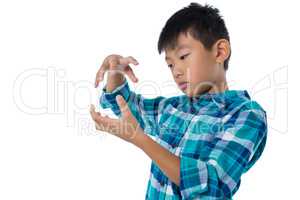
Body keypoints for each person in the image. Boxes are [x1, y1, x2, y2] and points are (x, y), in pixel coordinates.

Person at [90, 2, 267, 199]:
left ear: (220, 52)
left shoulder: (247, 115)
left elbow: (212, 184)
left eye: (184, 56)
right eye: (170, 64)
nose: (177, 71)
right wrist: (115, 72)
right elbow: (129, 110)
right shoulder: (174, 108)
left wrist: (141, 140)